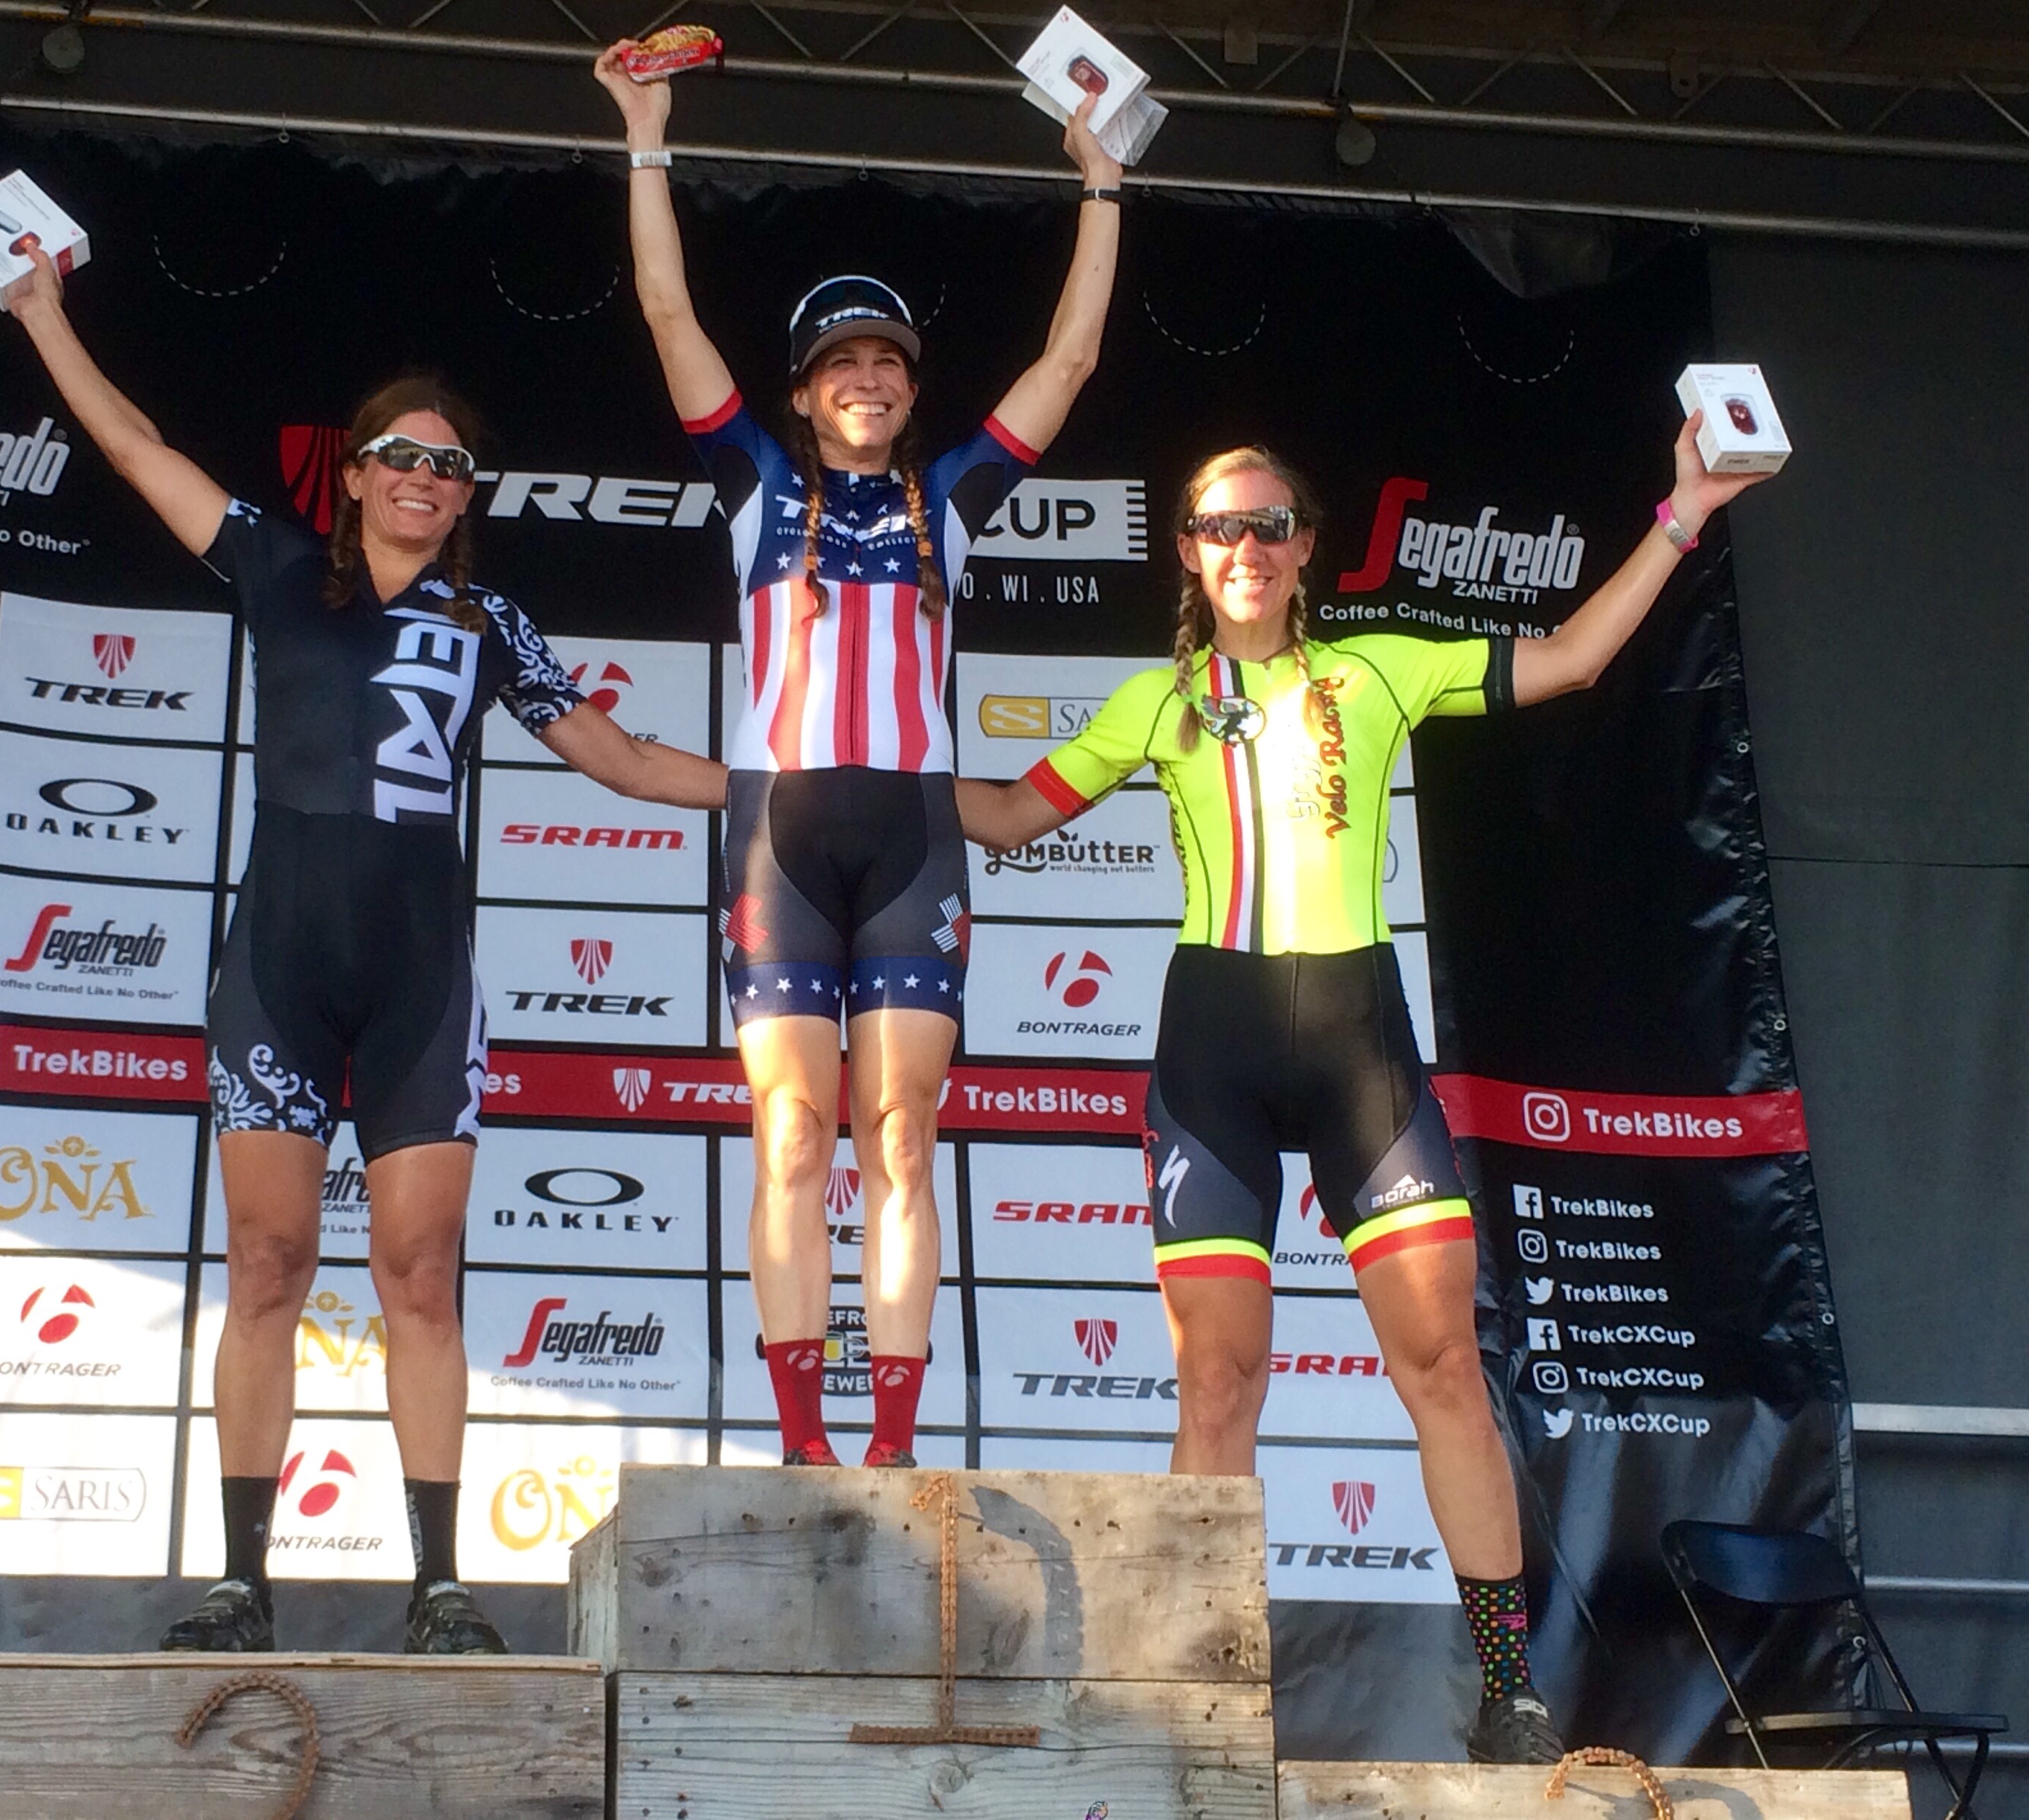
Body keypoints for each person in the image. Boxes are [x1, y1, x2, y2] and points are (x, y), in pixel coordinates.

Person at [955, 423, 1770, 1758]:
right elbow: (1001, 816)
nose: (1246, 546)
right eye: (1220, 526)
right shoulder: (1154, 702)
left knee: (1443, 1367)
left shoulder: (1375, 669)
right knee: (1217, 1384)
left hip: (1361, 1055)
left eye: (1269, 524)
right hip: (1212, 1056)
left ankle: (1509, 1691)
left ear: (1304, 547)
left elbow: (1571, 658)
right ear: (1188, 553)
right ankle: (1194, 1692)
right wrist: (834, 766)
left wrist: (1685, 510)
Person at [2, 245, 729, 1652]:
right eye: (401, 455)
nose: (424, 478)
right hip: (276, 969)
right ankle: (241, 1585)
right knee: (269, 1262)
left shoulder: (488, 619)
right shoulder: (274, 566)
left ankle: (440, 1586)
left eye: (450, 467)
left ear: (465, 498)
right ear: (354, 472)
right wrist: (41, 314)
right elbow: (137, 446)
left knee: (420, 1278)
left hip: (420, 981)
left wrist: (781, 790)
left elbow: (627, 761)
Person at [593, 45, 1122, 1467]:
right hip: (777, 834)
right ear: (806, 391)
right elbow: (665, 307)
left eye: (887, 361)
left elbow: (1070, 362)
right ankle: (801, 1446)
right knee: (791, 1135)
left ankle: (890, 1443)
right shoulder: (757, 486)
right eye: (843, 364)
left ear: (907, 385)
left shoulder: (954, 495)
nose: (869, 380)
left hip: (913, 841)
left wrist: (1102, 185)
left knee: (899, 1136)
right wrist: (647, 136)